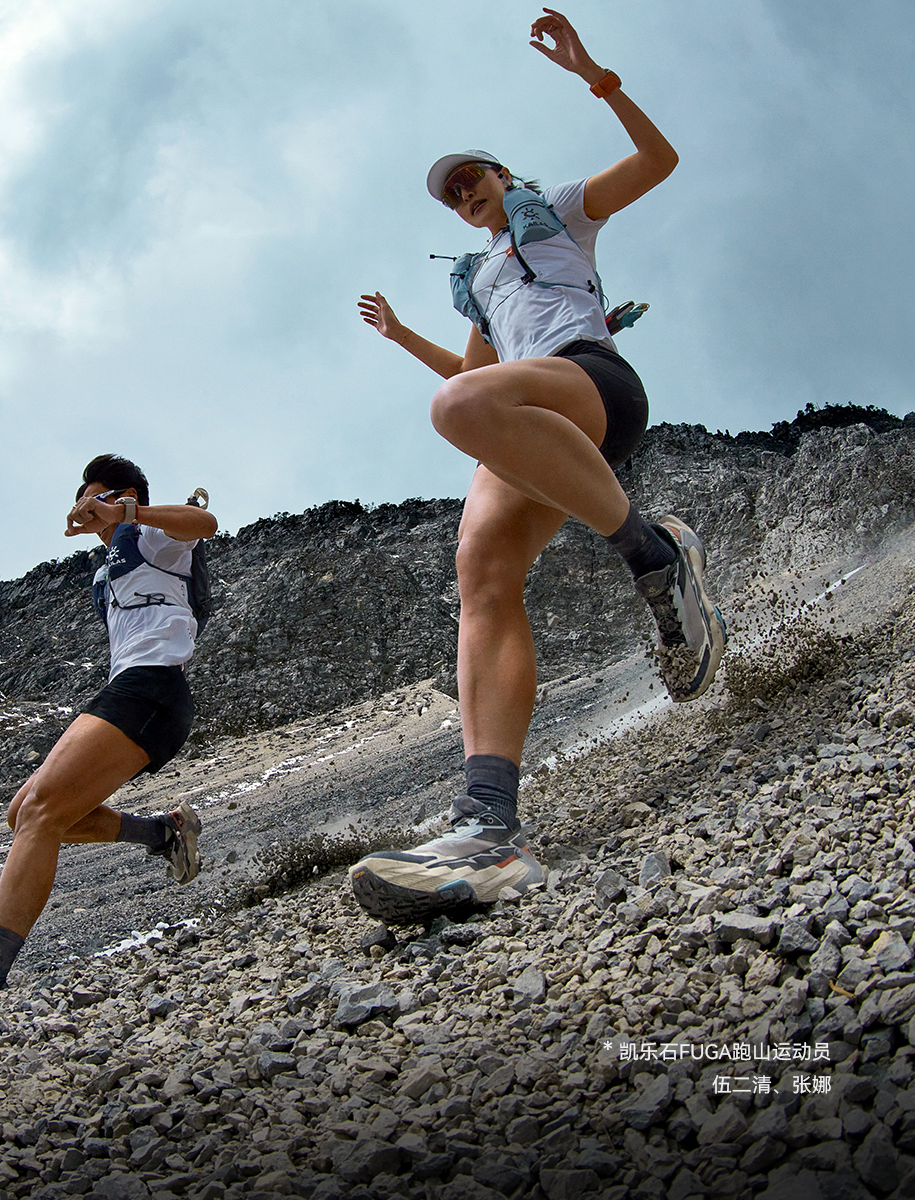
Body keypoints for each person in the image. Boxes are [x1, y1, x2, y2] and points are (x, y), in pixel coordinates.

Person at [349, 8, 726, 925]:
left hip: (591, 383)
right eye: (452, 194)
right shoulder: (478, 281)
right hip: (530, 420)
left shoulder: (556, 211)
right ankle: (489, 830)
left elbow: (659, 161)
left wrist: (595, 75)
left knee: (460, 412)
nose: (463, 194)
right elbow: (471, 378)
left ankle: (651, 556)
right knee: (480, 573)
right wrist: (403, 338)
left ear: (502, 176)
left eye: (471, 178)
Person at [0, 454, 217, 1010]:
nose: (85, 504)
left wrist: (127, 512)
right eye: (82, 497)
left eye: (96, 494)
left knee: (40, 812)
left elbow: (204, 523)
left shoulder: (155, 535)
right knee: (24, 813)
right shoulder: (110, 562)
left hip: (153, 685)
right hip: (133, 688)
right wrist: (105, 524)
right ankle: (162, 834)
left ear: (124, 496)